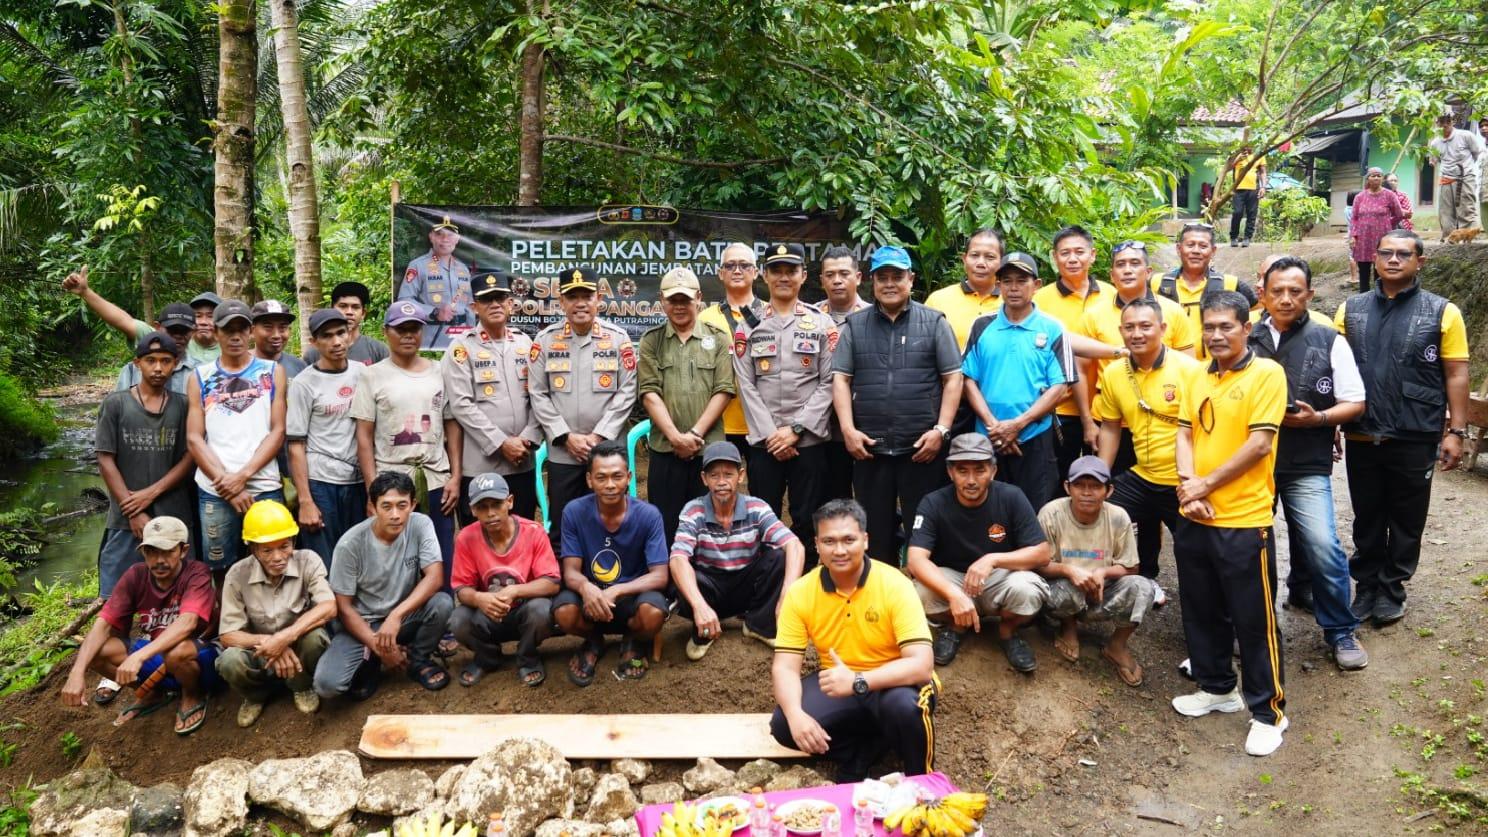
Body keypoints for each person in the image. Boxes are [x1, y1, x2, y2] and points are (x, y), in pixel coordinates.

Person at [1171, 291, 1289, 757]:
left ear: (1246, 327)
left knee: (1253, 619)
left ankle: (1268, 712)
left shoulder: (1267, 374)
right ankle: (1217, 687)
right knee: (1200, 609)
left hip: (1244, 519)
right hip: (1195, 515)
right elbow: (1184, 433)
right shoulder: (1196, 374)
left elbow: (1260, 445)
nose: (1216, 335)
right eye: (1209, 327)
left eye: (1226, 326)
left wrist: (1205, 485)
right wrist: (1188, 487)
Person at [1335, 229, 1470, 625]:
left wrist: (1456, 431)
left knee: (1407, 516)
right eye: (1386, 253)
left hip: (1416, 430)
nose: (1394, 260)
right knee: (1368, 514)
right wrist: (1331, 426)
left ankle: (1392, 588)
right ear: (1374, 258)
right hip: (1363, 430)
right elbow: (1337, 371)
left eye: (1403, 254)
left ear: (1419, 262)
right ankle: (1366, 587)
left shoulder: (1443, 312)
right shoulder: (1351, 309)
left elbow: (1457, 373)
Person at [1249, 256, 1368, 670]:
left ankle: (1340, 630)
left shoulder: (1329, 338)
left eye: (1294, 291)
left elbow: (1355, 402)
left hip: (1305, 462)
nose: (1285, 299)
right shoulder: (1243, 336)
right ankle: (1249, 629)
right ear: (1262, 292)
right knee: (1248, 547)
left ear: (1310, 295)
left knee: (1322, 544)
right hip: (1250, 465)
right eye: (1276, 290)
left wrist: (1318, 418)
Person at [770, 499, 937, 782]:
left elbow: (921, 665)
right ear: (817, 545)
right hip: (840, 683)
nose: (839, 550)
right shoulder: (800, 592)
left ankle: (921, 781)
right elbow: (785, 666)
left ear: (866, 540)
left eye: (849, 540)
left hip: (895, 681)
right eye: (829, 541)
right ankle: (861, 753)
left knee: (905, 708)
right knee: (785, 724)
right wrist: (797, 714)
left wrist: (859, 680)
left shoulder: (894, 584)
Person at [832, 245, 961, 563]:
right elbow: (840, 380)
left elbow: (953, 379)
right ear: (872, 282)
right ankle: (879, 599)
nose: (890, 283)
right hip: (869, 448)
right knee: (875, 532)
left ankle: (925, 601)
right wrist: (848, 430)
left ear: (911, 279)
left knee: (925, 529)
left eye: (897, 276)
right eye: (883, 277)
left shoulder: (934, 323)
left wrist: (941, 431)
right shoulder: (855, 325)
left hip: (921, 448)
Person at [905, 434, 1050, 672]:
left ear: (993, 470)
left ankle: (1007, 633)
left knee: (1028, 589)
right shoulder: (933, 503)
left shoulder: (1011, 496)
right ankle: (957, 627)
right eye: (962, 471)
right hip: (955, 578)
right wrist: (953, 594)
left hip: (999, 578)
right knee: (919, 591)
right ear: (950, 472)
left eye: (979, 470)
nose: (971, 480)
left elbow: (1042, 553)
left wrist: (993, 559)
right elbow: (915, 559)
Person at [60, 516, 217, 736]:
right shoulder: (135, 575)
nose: (159, 560)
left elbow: (187, 623)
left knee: (176, 652)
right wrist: (77, 672)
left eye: (167, 552)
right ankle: (153, 693)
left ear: (183, 550)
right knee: (99, 651)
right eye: (151, 552)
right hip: (159, 656)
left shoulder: (196, 573)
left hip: (198, 658)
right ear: (143, 552)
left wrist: (139, 656)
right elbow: (102, 625)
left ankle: (192, 695)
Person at [734, 243, 839, 561]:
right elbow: (745, 385)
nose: (783, 277)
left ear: (803, 276)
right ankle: (767, 589)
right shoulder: (747, 327)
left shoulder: (822, 324)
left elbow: (830, 382)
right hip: (764, 445)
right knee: (762, 518)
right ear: (764, 275)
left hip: (807, 442)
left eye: (790, 270)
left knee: (808, 518)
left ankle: (804, 590)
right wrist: (772, 435)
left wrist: (794, 430)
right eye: (776, 270)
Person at [1092, 298, 1202, 602]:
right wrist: (1102, 477)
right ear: (1121, 331)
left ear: (1163, 329)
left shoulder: (1191, 371)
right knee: (1093, 513)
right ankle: (1095, 595)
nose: (1136, 334)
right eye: (1129, 327)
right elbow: (1111, 427)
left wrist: (1198, 482)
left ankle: (1213, 622)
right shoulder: (1114, 373)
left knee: (1197, 552)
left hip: (1183, 479)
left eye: (1145, 326)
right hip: (1144, 476)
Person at [314, 471, 455, 698]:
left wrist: (396, 616)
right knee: (327, 685)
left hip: (403, 619)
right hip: (363, 624)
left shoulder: (420, 524)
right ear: (373, 506)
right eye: (386, 506)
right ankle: (372, 661)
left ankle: (417, 659)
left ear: (413, 504)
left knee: (443, 603)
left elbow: (435, 577)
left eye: (402, 505)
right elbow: (344, 608)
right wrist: (380, 647)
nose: (396, 515)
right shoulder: (350, 545)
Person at [351, 301, 462, 578]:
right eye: (401, 329)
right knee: (395, 560)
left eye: (414, 329)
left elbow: (451, 425)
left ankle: (441, 612)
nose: (408, 335)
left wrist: (455, 476)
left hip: (436, 477)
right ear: (386, 331)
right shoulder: (372, 375)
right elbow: (363, 437)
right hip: (391, 480)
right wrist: (372, 490)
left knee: (440, 554)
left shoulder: (439, 371)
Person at [529, 268, 638, 547]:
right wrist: (566, 437)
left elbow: (628, 391)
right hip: (564, 453)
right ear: (561, 302)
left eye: (586, 296)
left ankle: (614, 581)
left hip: (608, 453)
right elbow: (538, 393)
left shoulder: (618, 338)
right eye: (572, 296)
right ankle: (565, 586)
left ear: (598, 299)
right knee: (563, 524)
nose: (580, 303)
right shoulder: (545, 341)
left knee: (612, 522)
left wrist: (599, 437)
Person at [669, 441, 805, 660]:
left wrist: (787, 595)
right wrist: (699, 605)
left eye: (728, 474)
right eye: (714, 475)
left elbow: (794, 545)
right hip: (709, 586)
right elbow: (677, 558)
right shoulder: (693, 510)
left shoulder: (756, 507)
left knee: (779, 556)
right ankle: (704, 630)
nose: (722, 482)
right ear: (704, 479)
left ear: (740, 476)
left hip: (745, 585)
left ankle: (759, 625)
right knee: (680, 574)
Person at [551, 441, 669, 686]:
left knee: (654, 613)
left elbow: (660, 575)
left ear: (629, 477)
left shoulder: (649, 515)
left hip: (631, 598)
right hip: (591, 600)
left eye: (617, 476)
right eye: (601, 477)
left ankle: (633, 641)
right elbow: (570, 571)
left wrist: (617, 590)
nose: (610, 485)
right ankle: (593, 641)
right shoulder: (574, 512)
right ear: (589, 480)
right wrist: (587, 589)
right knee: (563, 612)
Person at [962, 252, 1072, 511]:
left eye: (1022, 280)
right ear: (998, 285)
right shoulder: (981, 325)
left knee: (1034, 514)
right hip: (987, 437)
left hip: (1035, 437)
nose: (1013, 287)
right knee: (988, 513)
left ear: (1037, 285)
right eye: (1006, 280)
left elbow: (1061, 386)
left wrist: (1018, 425)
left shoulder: (1053, 328)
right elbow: (967, 379)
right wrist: (995, 427)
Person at [186, 299, 287, 574]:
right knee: (219, 567)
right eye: (228, 330)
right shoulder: (200, 376)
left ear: (251, 331)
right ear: (216, 333)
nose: (235, 336)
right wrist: (225, 483)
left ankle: (271, 617)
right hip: (214, 488)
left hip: (263, 482)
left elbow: (277, 430)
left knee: (272, 561)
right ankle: (227, 617)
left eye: (242, 329)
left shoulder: (272, 372)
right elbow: (195, 437)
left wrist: (242, 477)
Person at [1037, 456, 1156, 687]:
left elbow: (1131, 567)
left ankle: (1117, 645)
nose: (1087, 492)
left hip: (1102, 593)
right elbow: (1038, 566)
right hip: (1064, 589)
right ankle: (1068, 626)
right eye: (1079, 485)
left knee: (1143, 587)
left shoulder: (1118, 517)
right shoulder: (1051, 514)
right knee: (1063, 590)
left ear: (1108, 491)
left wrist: (1103, 573)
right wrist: (1069, 570)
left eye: (1095, 486)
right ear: (1067, 487)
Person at [94, 331, 196, 595]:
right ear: (137, 363)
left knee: (178, 591)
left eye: (166, 360)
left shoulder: (184, 406)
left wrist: (151, 493)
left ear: (176, 364)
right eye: (151, 360)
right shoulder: (115, 404)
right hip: (125, 517)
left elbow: (190, 456)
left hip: (173, 513)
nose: (158, 368)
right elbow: (105, 458)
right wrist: (134, 511)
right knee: (116, 595)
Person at [216, 500, 335, 726]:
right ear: (252, 549)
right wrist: (270, 643)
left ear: (293, 541)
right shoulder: (237, 575)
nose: (278, 556)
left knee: (316, 639)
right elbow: (228, 635)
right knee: (229, 661)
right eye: (267, 550)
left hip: (297, 648)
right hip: (260, 652)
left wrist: (285, 637)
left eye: (284, 546)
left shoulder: (308, 560)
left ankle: (301, 686)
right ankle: (255, 696)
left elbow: (329, 607)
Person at [639, 267, 735, 545]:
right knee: (665, 525)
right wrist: (675, 437)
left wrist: (693, 436)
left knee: (712, 525)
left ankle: (707, 585)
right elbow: (649, 392)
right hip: (665, 450)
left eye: (685, 299)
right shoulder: (651, 340)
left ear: (699, 298)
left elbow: (724, 390)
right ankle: (669, 586)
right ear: (662, 301)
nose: (679, 306)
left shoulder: (718, 338)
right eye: (673, 300)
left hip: (709, 452)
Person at [443, 269, 542, 524]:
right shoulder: (462, 347)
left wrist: (528, 438)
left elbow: (539, 396)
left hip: (523, 461)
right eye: (488, 299)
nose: (495, 304)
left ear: (511, 303)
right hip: (480, 465)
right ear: (475, 307)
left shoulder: (525, 343)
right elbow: (461, 404)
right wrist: (501, 443)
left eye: (501, 298)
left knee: (522, 530)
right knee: (480, 535)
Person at [448, 472, 559, 688]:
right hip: (488, 613)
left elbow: (551, 582)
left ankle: (527, 656)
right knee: (458, 620)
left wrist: (515, 591)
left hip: (523, 611)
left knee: (542, 610)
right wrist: (480, 598)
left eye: (497, 504)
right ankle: (487, 657)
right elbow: (461, 589)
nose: (491, 513)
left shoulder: (533, 532)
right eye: (482, 507)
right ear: (472, 509)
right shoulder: (466, 538)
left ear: (510, 502)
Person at [1032, 226, 1113, 482]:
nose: (1073, 258)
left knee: (1099, 479)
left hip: (1105, 408)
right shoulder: (1039, 300)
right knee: (1056, 479)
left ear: (1093, 255)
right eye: (1065, 253)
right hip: (1059, 408)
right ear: (1054, 257)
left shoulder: (1112, 295)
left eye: (1080, 252)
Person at [287, 308, 367, 566]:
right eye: (327, 336)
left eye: (341, 333)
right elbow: (296, 445)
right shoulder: (304, 383)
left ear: (350, 334)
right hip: (321, 483)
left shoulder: (363, 373)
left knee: (358, 557)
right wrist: (305, 500)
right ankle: (327, 607)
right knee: (325, 561)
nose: (336, 342)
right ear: (314, 342)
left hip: (357, 481)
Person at [61, 265, 221, 366]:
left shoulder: (232, 349)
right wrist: (86, 293)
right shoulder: (166, 339)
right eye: (198, 316)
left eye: (210, 316)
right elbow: (124, 321)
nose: (204, 322)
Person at [1150, 224, 1259, 361]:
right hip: (1169, 369)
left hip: (1216, 370)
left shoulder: (1230, 284)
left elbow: (1259, 309)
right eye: (1190, 245)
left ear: (1213, 251)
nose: (1196, 251)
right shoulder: (1157, 283)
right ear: (1179, 248)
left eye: (1203, 246)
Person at [698, 242, 767, 454]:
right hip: (718, 423)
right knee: (719, 485)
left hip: (763, 422)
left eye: (744, 265)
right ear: (720, 273)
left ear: (755, 273)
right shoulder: (704, 318)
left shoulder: (770, 314)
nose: (737, 270)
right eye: (730, 265)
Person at [817, 245, 870, 501]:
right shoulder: (809, 317)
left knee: (870, 498)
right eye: (830, 274)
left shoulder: (875, 316)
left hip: (865, 426)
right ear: (821, 280)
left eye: (844, 273)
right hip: (823, 430)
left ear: (858, 277)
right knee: (832, 498)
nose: (837, 280)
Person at [399, 215, 474, 348]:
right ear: (431, 237)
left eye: (450, 235)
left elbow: (469, 306)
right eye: (439, 234)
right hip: (432, 338)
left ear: (457, 239)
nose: (445, 239)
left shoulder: (463, 269)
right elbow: (404, 301)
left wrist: (472, 335)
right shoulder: (418, 265)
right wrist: (434, 312)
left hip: (462, 338)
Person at [926, 229, 1003, 350]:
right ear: (964, 259)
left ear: (1001, 262)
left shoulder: (1011, 302)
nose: (981, 263)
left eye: (990, 257)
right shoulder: (938, 301)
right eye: (975, 255)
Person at [1427, 114, 1487, 238]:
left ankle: (1470, 241)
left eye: (1448, 121)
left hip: (1465, 177)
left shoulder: (1466, 136)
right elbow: (1434, 161)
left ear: (1453, 122)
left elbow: (1477, 154)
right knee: (1445, 213)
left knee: (1466, 210)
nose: (1445, 124)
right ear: (1436, 123)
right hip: (1445, 179)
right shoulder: (1435, 143)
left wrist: (1466, 169)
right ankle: (1449, 240)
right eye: (1441, 121)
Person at [303, 281, 390, 366]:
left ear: (363, 313)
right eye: (343, 306)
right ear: (332, 308)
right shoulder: (313, 354)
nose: (349, 312)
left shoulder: (378, 350)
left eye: (355, 307)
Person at [1348, 167, 1406, 293]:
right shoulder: (1359, 197)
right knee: (1363, 270)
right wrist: (1353, 236)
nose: (1376, 178)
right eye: (1373, 175)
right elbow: (1354, 218)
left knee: (1379, 269)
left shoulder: (1389, 195)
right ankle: (1364, 296)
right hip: (1363, 239)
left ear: (1382, 178)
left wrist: (1388, 224)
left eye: (1379, 175)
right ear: (1367, 178)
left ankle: (1379, 296)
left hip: (1382, 238)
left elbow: (1399, 214)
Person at [250, 300, 307, 378]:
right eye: (268, 327)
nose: (276, 335)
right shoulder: (236, 365)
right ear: (252, 331)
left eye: (282, 328)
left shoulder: (299, 367)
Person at [1226, 145, 1267, 246]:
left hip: (1253, 188)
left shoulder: (1258, 155)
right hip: (1238, 189)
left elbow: (1263, 172)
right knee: (1237, 212)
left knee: (1251, 214)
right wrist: (1238, 158)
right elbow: (1228, 168)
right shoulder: (1237, 153)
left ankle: (1247, 238)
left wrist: (1263, 187)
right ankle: (1234, 237)